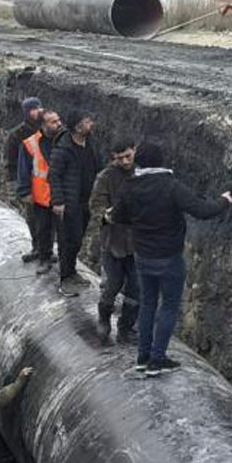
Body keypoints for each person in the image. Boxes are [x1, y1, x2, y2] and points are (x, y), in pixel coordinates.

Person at [111, 142, 232, 376]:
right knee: (168, 306)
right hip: (168, 258)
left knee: (148, 304)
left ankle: (142, 358)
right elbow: (202, 210)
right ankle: (157, 359)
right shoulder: (170, 186)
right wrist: (224, 201)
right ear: (161, 160)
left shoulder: (129, 186)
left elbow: (118, 217)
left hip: (143, 256)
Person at [89, 140, 138, 343]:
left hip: (137, 244)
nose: (125, 161)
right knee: (112, 284)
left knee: (136, 288)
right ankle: (104, 320)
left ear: (134, 150)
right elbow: (96, 205)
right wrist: (106, 215)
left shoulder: (142, 174)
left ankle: (126, 327)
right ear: (113, 157)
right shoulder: (106, 177)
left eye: (128, 156)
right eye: (119, 158)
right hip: (113, 242)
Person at [49, 109, 100, 297]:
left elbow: (97, 167)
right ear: (78, 128)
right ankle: (65, 279)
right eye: (87, 121)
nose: (91, 124)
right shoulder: (63, 149)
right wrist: (58, 201)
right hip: (68, 203)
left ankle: (72, 272)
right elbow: (53, 175)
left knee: (77, 240)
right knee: (67, 240)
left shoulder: (90, 144)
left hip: (85, 202)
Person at [17, 110, 63, 272]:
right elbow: (23, 170)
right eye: (53, 122)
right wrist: (25, 192)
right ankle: (44, 258)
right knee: (43, 229)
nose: (59, 124)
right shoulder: (30, 144)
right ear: (43, 125)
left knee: (63, 231)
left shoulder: (65, 140)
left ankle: (62, 259)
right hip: (41, 196)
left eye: (58, 120)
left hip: (61, 195)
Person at [5, 97, 42, 200]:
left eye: (38, 108)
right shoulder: (16, 135)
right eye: (33, 109)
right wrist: (13, 186)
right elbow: (11, 162)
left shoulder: (47, 129)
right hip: (25, 181)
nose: (37, 111)